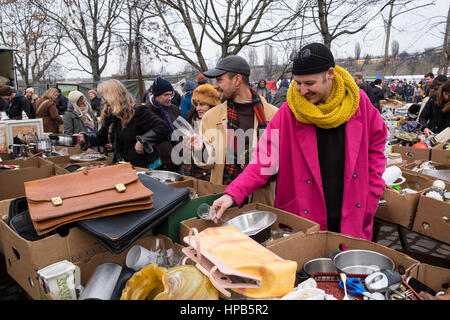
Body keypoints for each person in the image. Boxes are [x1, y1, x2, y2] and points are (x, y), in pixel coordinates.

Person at [210, 43, 387, 241]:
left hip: (353, 210)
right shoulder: (289, 112)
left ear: (330, 73)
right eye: (298, 83)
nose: (302, 91)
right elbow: (263, 160)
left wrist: (373, 190)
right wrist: (232, 194)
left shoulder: (359, 103)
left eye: (309, 83)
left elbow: (377, 146)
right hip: (305, 216)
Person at [190, 55, 279, 205]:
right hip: (221, 199)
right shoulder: (210, 117)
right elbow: (208, 163)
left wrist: (258, 165)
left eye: (219, 80)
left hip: (261, 202)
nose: (215, 86)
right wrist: (200, 150)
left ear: (237, 80)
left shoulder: (274, 115)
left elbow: (283, 164)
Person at [75, 79, 169, 167]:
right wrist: (85, 138)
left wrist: (143, 141)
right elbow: (102, 138)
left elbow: (163, 128)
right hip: (124, 166)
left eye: (105, 97)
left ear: (114, 96)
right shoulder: (112, 115)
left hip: (145, 167)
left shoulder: (139, 111)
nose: (103, 101)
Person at [145, 77, 182, 172]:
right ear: (156, 95)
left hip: (178, 160)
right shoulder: (145, 112)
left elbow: (182, 129)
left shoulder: (174, 109)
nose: (170, 98)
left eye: (171, 94)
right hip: (159, 165)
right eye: (166, 95)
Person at [184, 83, 220, 180]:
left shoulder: (219, 124)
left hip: (212, 175)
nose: (198, 108)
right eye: (196, 104)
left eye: (202, 104)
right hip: (196, 173)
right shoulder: (192, 121)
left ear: (212, 105)